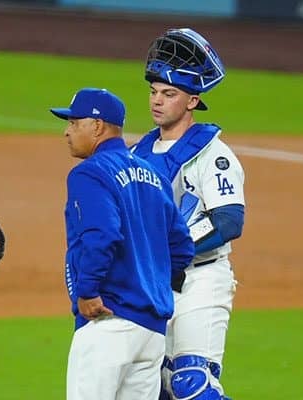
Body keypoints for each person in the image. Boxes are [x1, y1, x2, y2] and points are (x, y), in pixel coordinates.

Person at [50, 87, 195, 400]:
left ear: (97, 126)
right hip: (151, 332)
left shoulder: (90, 173)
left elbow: (101, 234)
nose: (67, 132)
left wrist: (88, 291)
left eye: (74, 123)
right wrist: (149, 284)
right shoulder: (154, 175)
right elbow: (182, 247)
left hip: (108, 321)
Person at [129, 28, 245, 399]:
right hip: (154, 283)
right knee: (156, 385)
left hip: (201, 279)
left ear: (193, 100)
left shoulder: (213, 155)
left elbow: (229, 221)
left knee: (192, 383)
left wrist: (170, 249)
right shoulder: (136, 155)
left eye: (169, 94)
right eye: (154, 92)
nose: (157, 101)